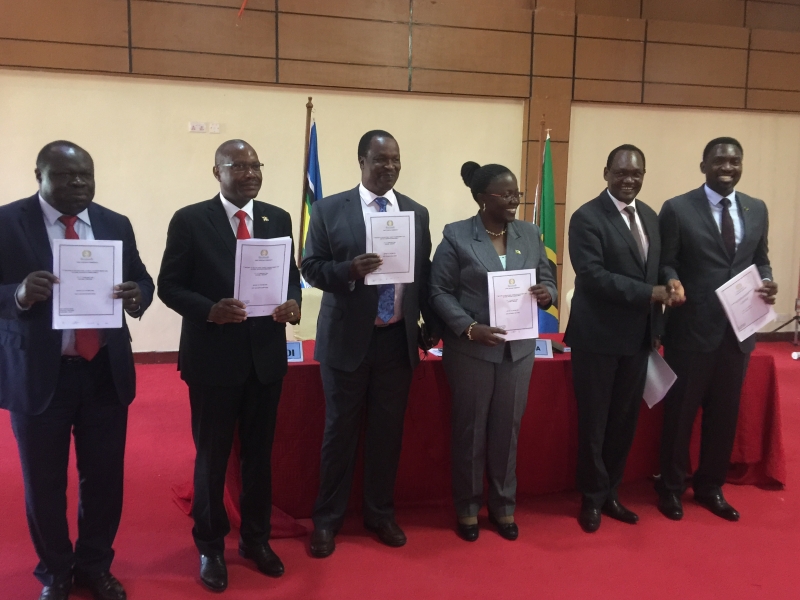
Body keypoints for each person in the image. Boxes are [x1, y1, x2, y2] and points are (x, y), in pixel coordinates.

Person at [0, 141, 154, 600]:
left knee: (104, 478)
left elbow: (143, 280)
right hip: (39, 375)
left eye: (87, 175)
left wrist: (136, 295)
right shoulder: (8, 223)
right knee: (44, 482)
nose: (81, 184)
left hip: (103, 370)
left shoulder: (113, 223)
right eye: (68, 176)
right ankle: (55, 570)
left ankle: (94, 564)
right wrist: (20, 294)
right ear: (40, 175)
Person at [157, 139, 301, 592]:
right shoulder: (190, 220)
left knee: (260, 457)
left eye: (255, 164)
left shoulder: (276, 217)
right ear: (215, 171)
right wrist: (209, 309)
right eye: (238, 165)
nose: (249, 172)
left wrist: (293, 302)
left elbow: (290, 274)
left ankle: (256, 540)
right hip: (213, 360)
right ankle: (210, 547)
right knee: (213, 458)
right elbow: (169, 286)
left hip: (265, 360)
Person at [301, 129, 440, 558]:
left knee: (387, 434)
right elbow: (310, 268)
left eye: (396, 160)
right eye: (381, 160)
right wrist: (349, 270)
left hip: (396, 340)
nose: (390, 168)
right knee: (339, 433)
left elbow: (426, 274)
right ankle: (327, 521)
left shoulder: (416, 212)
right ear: (361, 161)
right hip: (346, 341)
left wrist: (429, 325)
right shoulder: (328, 210)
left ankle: (380, 513)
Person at [429, 161, 557, 542]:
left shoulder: (531, 233)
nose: (514, 199)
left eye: (516, 192)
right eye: (506, 194)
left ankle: (503, 506)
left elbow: (546, 275)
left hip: (518, 352)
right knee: (470, 432)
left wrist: (547, 293)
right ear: (482, 198)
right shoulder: (456, 236)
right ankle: (468, 508)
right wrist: (469, 328)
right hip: (471, 350)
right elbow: (438, 291)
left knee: (508, 431)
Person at [656, 137, 776, 522]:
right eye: (720, 161)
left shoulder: (756, 209)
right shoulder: (676, 208)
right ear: (703, 165)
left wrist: (768, 282)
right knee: (680, 414)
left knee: (724, 416)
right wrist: (672, 281)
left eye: (735, 161)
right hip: (690, 329)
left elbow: (761, 259)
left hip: (738, 331)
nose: (728, 167)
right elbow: (666, 262)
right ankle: (671, 488)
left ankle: (711, 487)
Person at [564, 145, 680, 533]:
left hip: (639, 339)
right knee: (594, 424)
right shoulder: (587, 217)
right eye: (621, 173)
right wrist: (650, 293)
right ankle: (591, 499)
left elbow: (657, 264)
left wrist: (670, 280)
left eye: (637, 174)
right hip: (596, 339)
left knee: (623, 423)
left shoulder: (649, 215)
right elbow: (593, 276)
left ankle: (612, 492)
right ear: (606, 173)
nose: (629, 180)